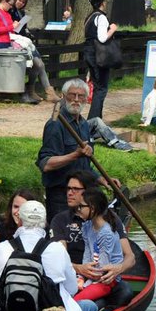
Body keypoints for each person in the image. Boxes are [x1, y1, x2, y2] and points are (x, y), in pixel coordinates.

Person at [0, 201, 96, 311]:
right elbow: (72, 289)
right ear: (44, 223)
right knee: (90, 307)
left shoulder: (2, 248)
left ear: (19, 220)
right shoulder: (57, 249)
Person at [49, 170, 137, 289]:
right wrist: (79, 268)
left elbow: (130, 257)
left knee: (125, 292)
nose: (70, 193)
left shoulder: (109, 219)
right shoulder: (60, 220)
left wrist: (118, 269)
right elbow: (59, 259)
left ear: (88, 193)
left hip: (104, 278)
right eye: (68, 189)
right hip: (72, 278)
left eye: (75, 189)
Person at [37, 79, 110, 219]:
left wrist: (101, 179)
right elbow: (46, 164)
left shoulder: (83, 125)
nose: (76, 100)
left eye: (80, 96)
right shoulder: (55, 125)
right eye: (72, 95)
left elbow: (83, 167)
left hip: (82, 196)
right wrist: (74, 155)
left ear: (86, 99)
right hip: (61, 196)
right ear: (64, 96)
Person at [72, 189, 126, 304]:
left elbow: (103, 267)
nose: (78, 210)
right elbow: (87, 253)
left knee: (75, 301)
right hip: (93, 275)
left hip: (106, 279)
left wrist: (85, 281)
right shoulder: (87, 226)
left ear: (92, 208)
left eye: (81, 206)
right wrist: (82, 274)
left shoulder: (106, 233)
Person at [11, 0, 59, 103]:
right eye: (19, 0)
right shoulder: (11, 11)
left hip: (25, 41)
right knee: (37, 64)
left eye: (23, 2)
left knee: (40, 65)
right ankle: (29, 91)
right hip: (17, 42)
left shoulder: (22, 12)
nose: (20, 3)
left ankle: (48, 92)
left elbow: (23, 28)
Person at [82, 0, 117, 120]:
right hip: (99, 55)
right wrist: (112, 30)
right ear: (102, 2)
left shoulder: (89, 17)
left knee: (98, 87)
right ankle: (93, 121)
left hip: (89, 53)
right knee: (101, 89)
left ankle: (97, 120)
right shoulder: (101, 17)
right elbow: (102, 38)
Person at [0, 186, 41, 254]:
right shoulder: (2, 228)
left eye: (23, 207)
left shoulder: (42, 230)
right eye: (16, 207)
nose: (18, 212)